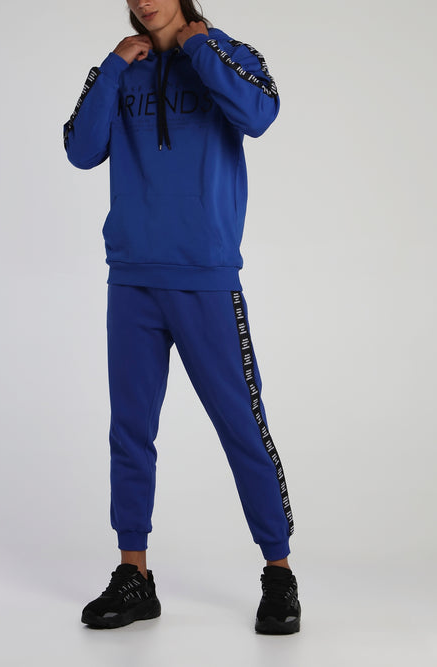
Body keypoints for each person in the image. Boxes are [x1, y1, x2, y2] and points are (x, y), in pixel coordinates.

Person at [63, 0, 301, 634]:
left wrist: (200, 47)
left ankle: (278, 572)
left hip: (204, 276)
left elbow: (260, 114)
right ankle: (134, 575)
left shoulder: (225, 53)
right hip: (133, 277)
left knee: (242, 424)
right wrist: (113, 66)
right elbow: (81, 150)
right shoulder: (122, 68)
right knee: (130, 430)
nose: (143, 0)